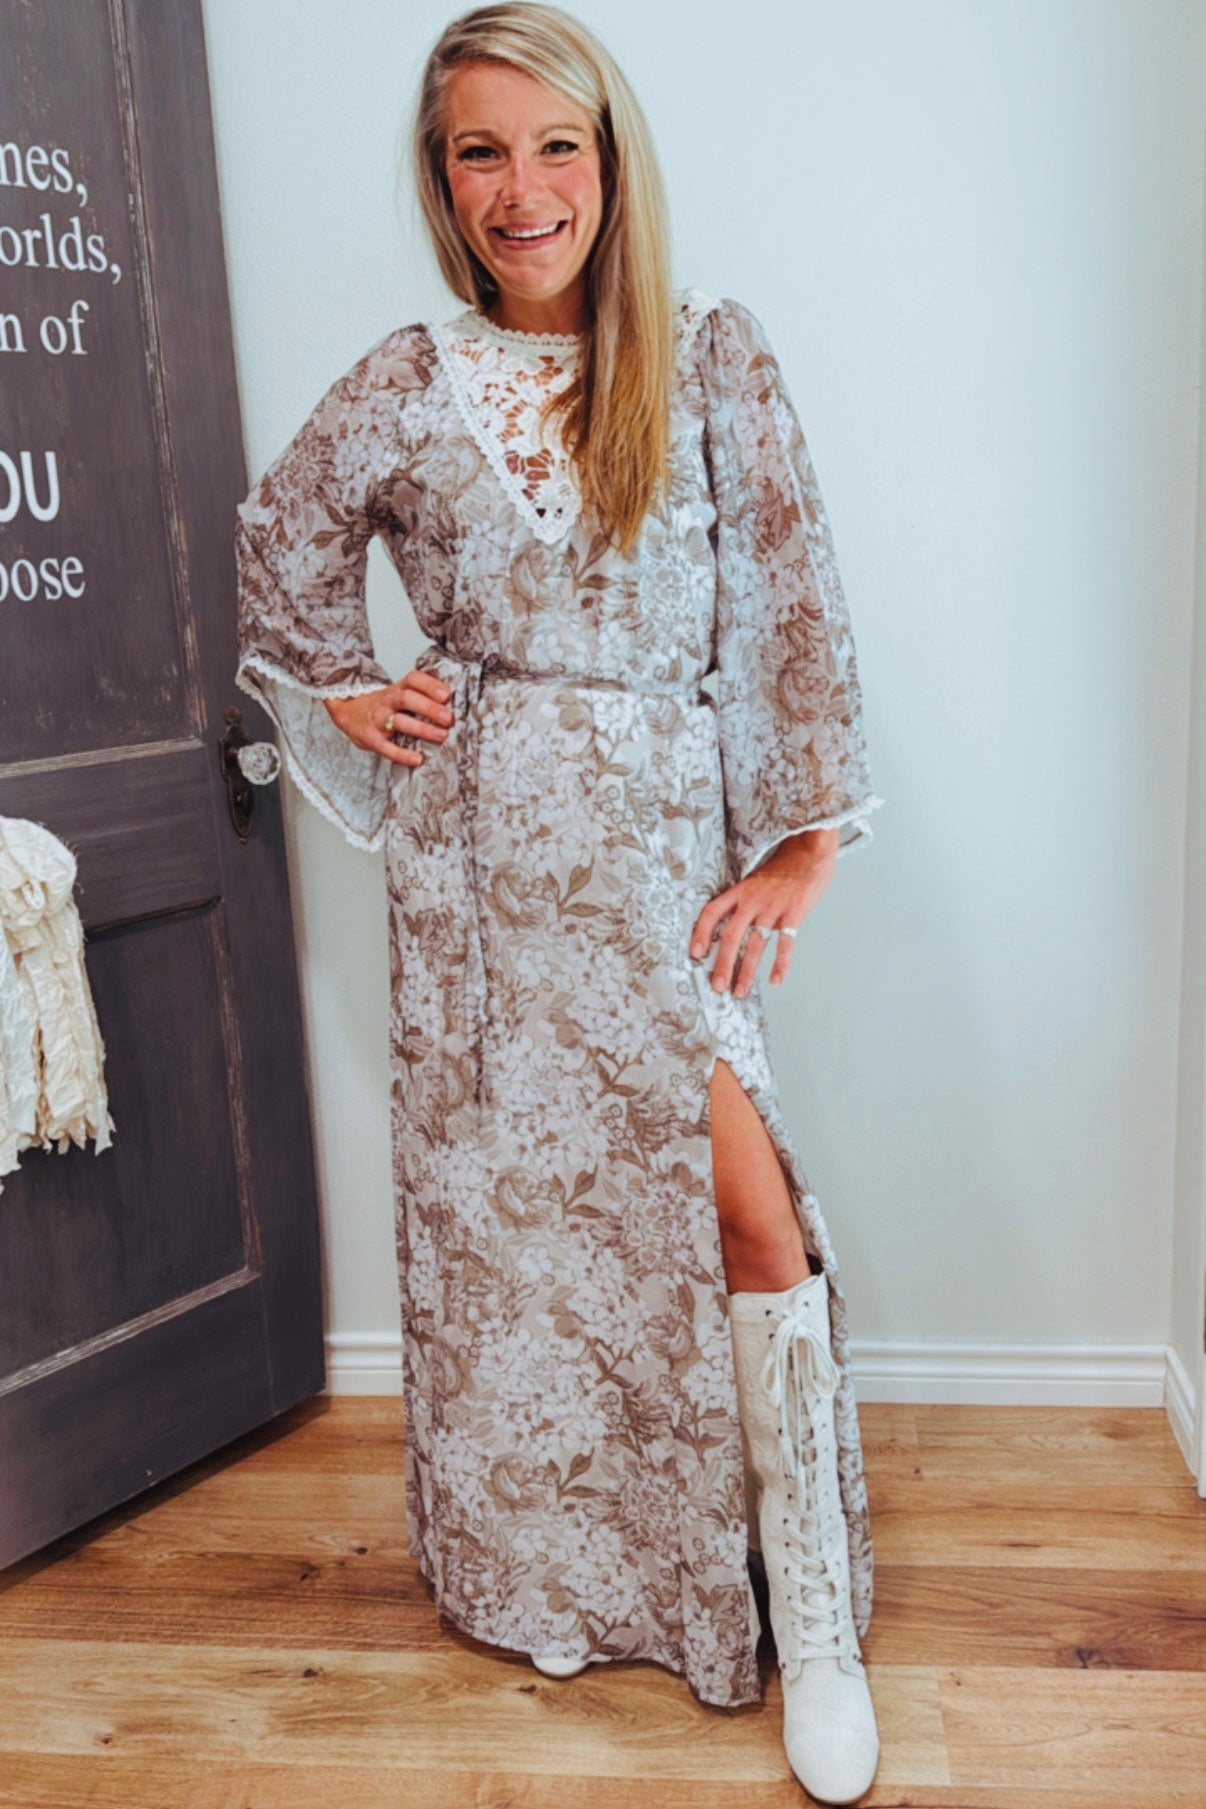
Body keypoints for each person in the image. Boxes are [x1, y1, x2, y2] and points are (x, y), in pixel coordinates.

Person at [234, 4, 885, 1801]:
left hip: (656, 867)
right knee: (518, 1246)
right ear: (443, 184)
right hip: (472, 884)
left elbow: (792, 602)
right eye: (477, 153)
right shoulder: (399, 379)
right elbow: (275, 549)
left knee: (744, 1217)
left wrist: (800, 843)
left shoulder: (705, 358)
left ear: (610, 163)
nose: (520, 189)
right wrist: (344, 692)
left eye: (554, 147)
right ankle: (562, 1576)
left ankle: (808, 1619)